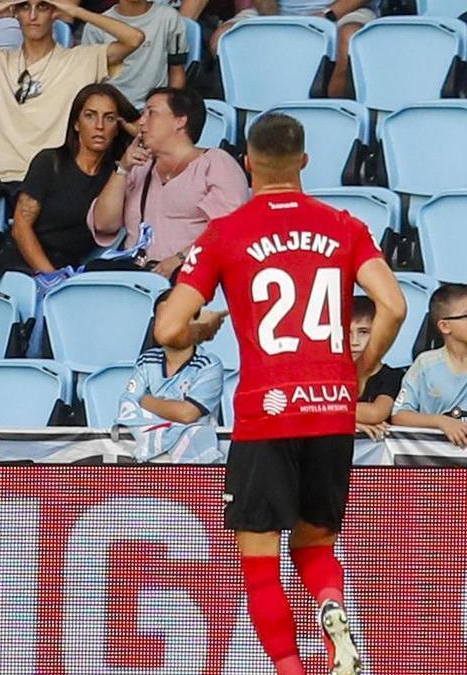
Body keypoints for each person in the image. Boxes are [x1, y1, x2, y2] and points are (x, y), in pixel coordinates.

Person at [154, 112, 406, 675]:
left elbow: (169, 329)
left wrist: (201, 329)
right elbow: (393, 305)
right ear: (305, 163)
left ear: (248, 163)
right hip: (331, 409)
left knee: (261, 563)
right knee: (315, 545)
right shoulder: (342, 225)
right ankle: (331, 606)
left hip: (265, 414)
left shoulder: (226, 232)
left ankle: (291, 669)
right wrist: (361, 368)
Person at [0, 0, 144, 190]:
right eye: (25, 7)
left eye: (43, 7)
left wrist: (76, 12)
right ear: (15, 12)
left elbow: (134, 38)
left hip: (52, 180)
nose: (33, 15)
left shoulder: (79, 60)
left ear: (54, 12)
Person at [89, 87, 248, 278]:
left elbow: (228, 232)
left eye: (151, 113)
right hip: (135, 274)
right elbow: (104, 224)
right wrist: (122, 169)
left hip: (191, 277)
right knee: (93, 271)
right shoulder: (139, 166)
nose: (141, 121)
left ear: (180, 121)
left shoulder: (216, 163)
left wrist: (180, 259)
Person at [0, 83, 139, 273]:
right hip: (23, 262)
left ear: (118, 126)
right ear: (76, 123)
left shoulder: (118, 175)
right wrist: (51, 276)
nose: (99, 126)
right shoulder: (50, 162)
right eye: (90, 115)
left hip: (72, 269)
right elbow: (21, 228)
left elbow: (158, 142)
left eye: (109, 118)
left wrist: (131, 128)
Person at [117, 292, 225, 463]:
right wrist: (170, 411)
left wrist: (147, 402)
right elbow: (128, 405)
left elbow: (188, 414)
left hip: (196, 460)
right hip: (150, 460)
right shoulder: (146, 361)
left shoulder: (209, 365)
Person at [210, 0, 377, 98]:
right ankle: (250, 107)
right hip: (278, 13)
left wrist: (327, 15)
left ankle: (331, 108)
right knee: (222, 39)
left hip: (341, 12)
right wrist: (276, 21)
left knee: (349, 39)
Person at [391, 284, 467, 449]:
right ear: (445, 326)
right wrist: (441, 422)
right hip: (435, 463)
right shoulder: (425, 364)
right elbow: (399, 415)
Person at [80, 0, 189, 109]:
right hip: (111, 109)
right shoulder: (95, 27)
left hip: (154, 108)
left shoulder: (169, 18)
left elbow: (176, 71)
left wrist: (169, 108)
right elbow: (89, 81)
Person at [350, 295, 403, 441]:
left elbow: (376, 413)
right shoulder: (329, 375)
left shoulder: (392, 376)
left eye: (363, 332)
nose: (354, 341)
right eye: (347, 333)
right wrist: (350, 423)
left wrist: (325, 414)